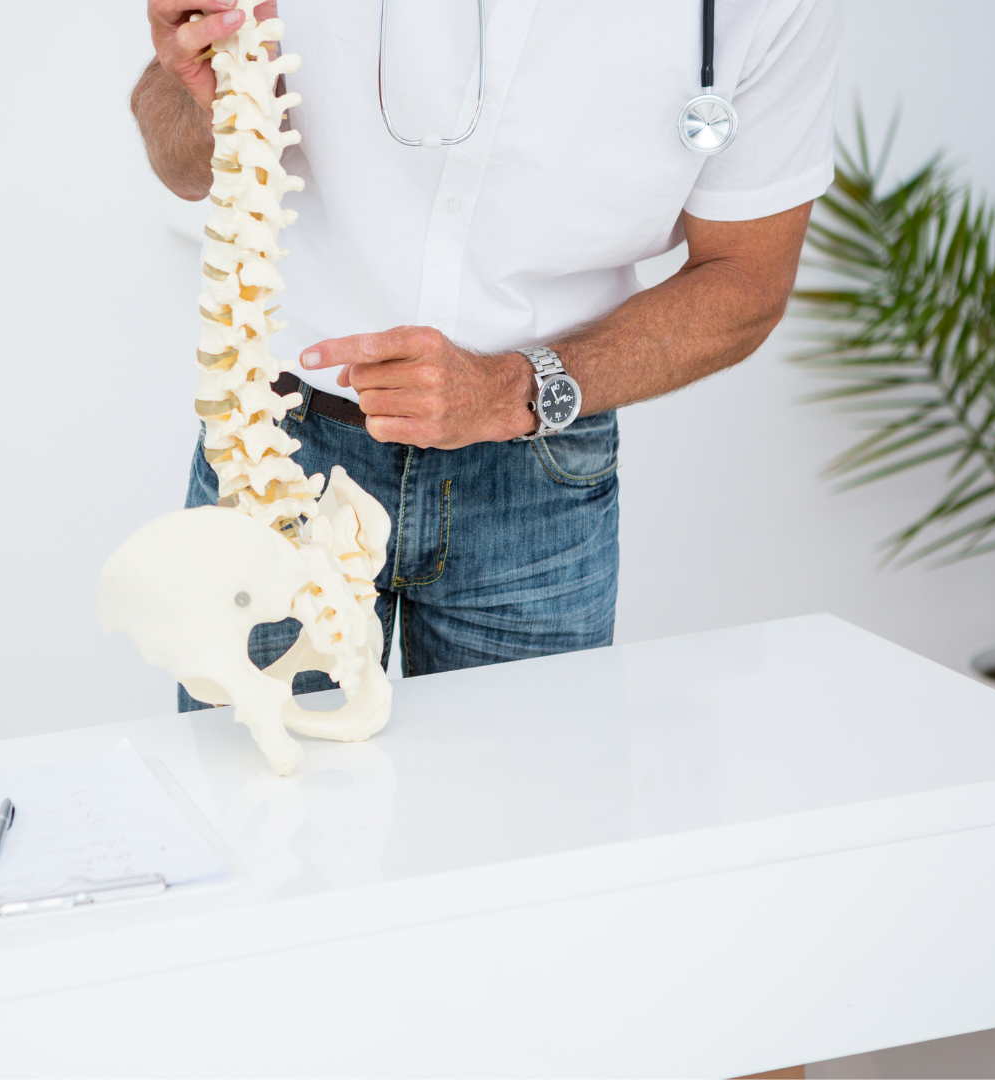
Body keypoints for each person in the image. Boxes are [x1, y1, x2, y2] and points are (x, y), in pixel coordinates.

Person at [133, 0, 840, 707]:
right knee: (251, 796)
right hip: (276, 459)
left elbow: (746, 281)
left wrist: (513, 390)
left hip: (537, 476)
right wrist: (188, 84)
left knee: (524, 808)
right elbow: (183, 164)